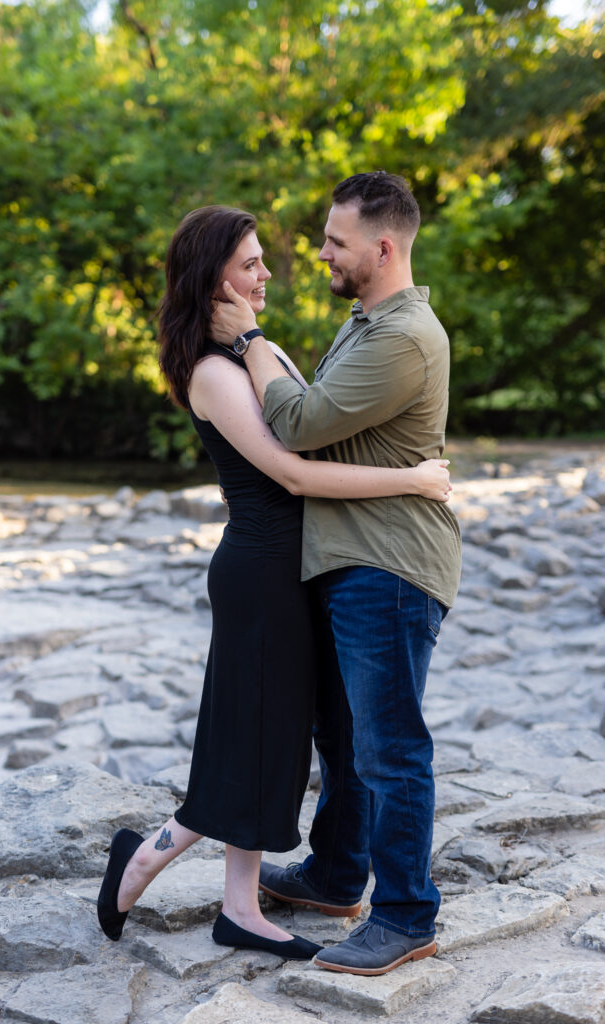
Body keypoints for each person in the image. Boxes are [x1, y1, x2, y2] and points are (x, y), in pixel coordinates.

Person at [97, 204, 453, 961]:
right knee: (255, 734)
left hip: (301, 567)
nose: (267, 274)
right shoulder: (212, 373)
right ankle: (144, 859)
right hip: (260, 567)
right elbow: (292, 469)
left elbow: (308, 420)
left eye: (263, 261)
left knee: (280, 737)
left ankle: (240, 905)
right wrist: (412, 480)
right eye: (250, 264)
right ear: (212, 278)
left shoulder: (256, 350)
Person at [209, 173, 463, 976]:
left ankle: (404, 915)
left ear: (382, 248)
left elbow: (301, 422)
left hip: (387, 564)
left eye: (335, 241)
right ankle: (333, 874)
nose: (320, 252)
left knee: (389, 748)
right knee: (344, 739)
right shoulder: (364, 323)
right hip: (348, 556)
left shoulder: (402, 337)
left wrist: (247, 342)